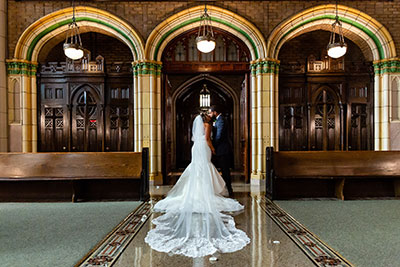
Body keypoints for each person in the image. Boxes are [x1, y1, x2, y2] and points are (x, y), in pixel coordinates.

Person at [145, 112, 249, 258]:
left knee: (198, 169)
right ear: (204, 119)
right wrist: (212, 149)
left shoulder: (201, 126)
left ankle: (195, 192)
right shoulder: (207, 125)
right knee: (204, 168)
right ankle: (204, 193)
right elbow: (207, 139)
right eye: (207, 114)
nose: (209, 115)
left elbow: (197, 138)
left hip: (197, 148)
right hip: (204, 147)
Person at [208, 105, 233, 197]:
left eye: (210, 112)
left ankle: (229, 189)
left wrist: (212, 146)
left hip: (222, 149)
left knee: (225, 170)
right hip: (219, 149)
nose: (210, 115)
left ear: (215, 112)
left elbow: (219, 135)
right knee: (219, 170)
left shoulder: (221, 120)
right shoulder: (217, 120)